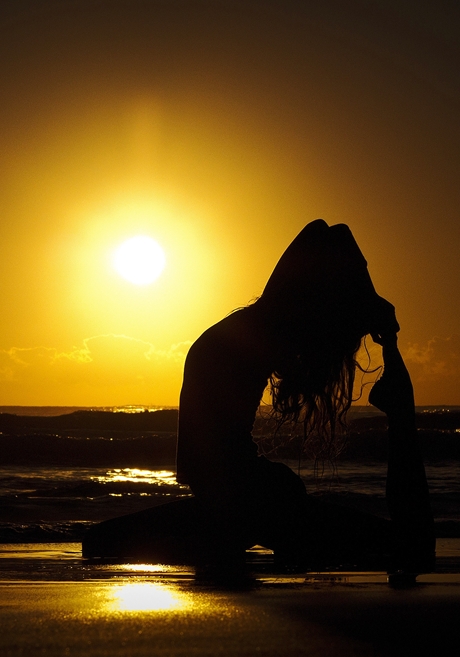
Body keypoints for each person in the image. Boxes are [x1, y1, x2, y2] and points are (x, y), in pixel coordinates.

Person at [83, 220, 434, 575]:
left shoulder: (249, 333)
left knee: (101, 541)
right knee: (411, 543)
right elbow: (328, 239)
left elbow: (327, 241)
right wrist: (378, 323)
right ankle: (399, 414)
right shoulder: (249, 340)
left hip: (240, 498)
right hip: (245, 504)